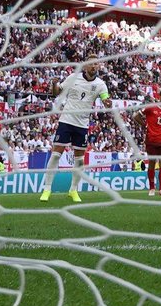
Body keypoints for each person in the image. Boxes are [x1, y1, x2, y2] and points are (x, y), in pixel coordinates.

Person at [40, 58, 114, 203]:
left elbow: (106, 101)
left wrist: (108, 103)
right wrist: (54, 83)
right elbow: (56, 93)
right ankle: (47, 189)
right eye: (91, 63)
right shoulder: (73, 78)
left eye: (96, 64)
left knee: (79, 160)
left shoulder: (100, 84)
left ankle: (73, 190)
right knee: (55, 155)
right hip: (66, 121)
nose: (94, 66)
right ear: (85, 66)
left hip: (82, 125)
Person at [132, 89, 161, 196]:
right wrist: (145, 125)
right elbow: (136, 116)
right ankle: (152, 188)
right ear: (159, 96)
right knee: (152, 163)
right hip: (151, 139)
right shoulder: (151, 107)